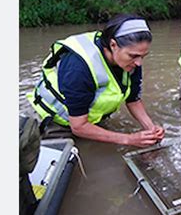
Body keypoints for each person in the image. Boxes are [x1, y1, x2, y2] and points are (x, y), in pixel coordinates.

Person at [26, 14, 165, 147]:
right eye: (133, 56)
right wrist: (129, 139)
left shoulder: (131, 61)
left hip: (85, 119)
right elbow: (79, 127)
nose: (139, 63)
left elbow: (133, 99)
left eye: (143, 56)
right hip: (55, 123)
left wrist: (151, 129)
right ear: (113, 45)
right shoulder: (78, 68)